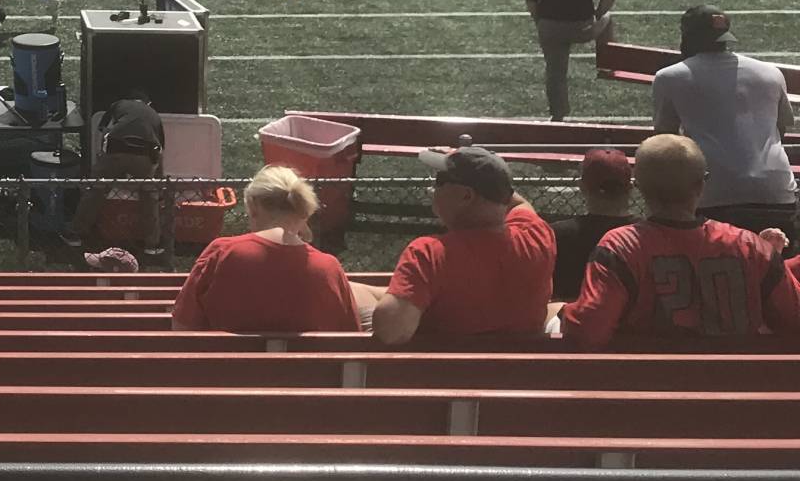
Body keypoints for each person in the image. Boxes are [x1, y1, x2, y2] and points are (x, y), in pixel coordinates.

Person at [560, 135, 800, 347]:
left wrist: (561, 311)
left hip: (646, 381)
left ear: (639, 187)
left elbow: (588, 331)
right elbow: (793, 320)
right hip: (742, 380)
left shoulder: (621, 245)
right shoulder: (750, 246)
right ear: (701, 185)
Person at [372, 147, 555, 345]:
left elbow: (391, 333)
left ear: (466, 196)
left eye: (440, 180)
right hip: (521, 362)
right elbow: (519, 204)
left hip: (441, 364)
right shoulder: (537, 235)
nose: (432, 188)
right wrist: (489, 177)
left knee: (356, 294)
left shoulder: (429, 253)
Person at [652, 5, 797, 241]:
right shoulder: (771, 72)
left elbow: (666, 140)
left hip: (713, 191)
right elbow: (781, 128)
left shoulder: (670, 77)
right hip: (776, 188)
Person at [173, 167, 367, 333]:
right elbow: (350, 338)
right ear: (303, 212)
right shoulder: (329, 268)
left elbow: (182, 327)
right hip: (304, 368)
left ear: (253, 207)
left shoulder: (222, 253)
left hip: (227, 367)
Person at [522, 0, 616, 120]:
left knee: (555, 72)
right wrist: (597, 14)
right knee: (608, 18)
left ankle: (558, 114)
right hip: (582, 28)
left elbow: (530, 0)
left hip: (551, 28)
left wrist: (539, 21)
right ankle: (607, 62)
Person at [74, 93, 166, 254]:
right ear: (148, 103)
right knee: (148, 197)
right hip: (145, 155)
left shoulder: (118, 104)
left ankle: (76, 234)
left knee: (96, 190)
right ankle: (151, 244)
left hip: (116, 148)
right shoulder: (154, 115)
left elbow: (103, 130)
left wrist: (102, 161)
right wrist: (159, 182)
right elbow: (160, 149)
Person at [549, 148, 635, 301]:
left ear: (582, 186)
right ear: (630, 188)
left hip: (571, 313)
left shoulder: (557, 235)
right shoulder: (644, 235)